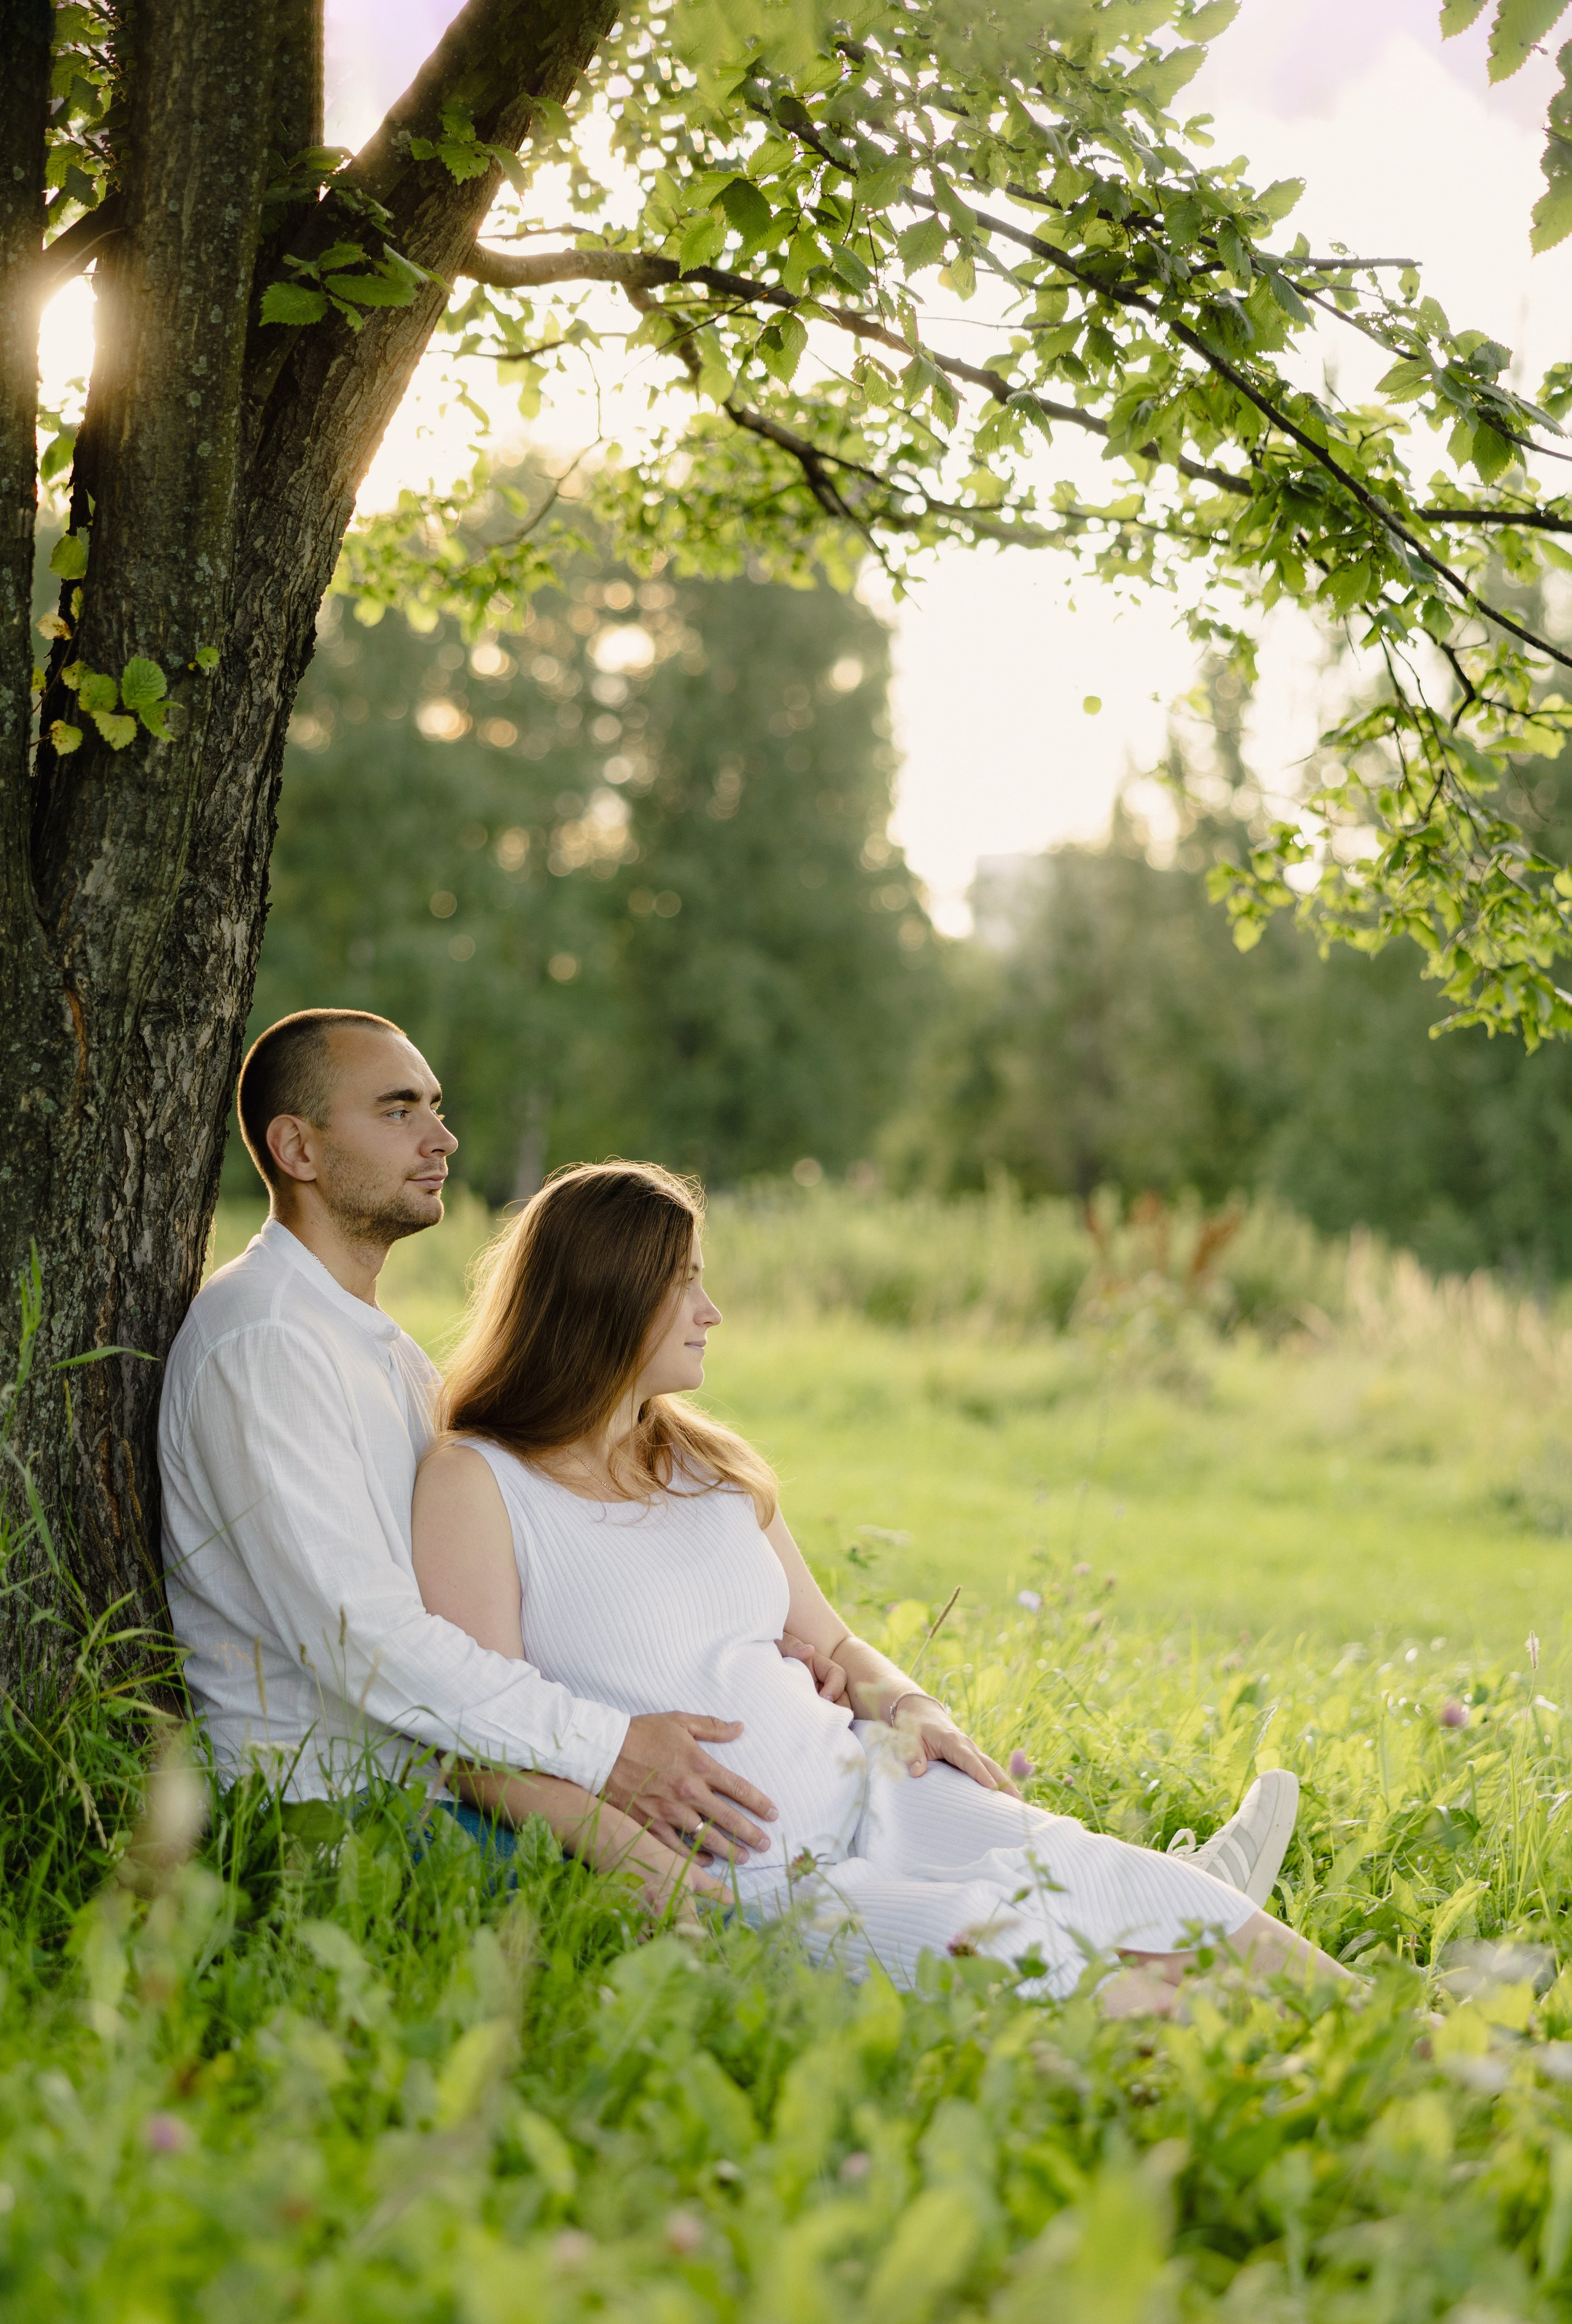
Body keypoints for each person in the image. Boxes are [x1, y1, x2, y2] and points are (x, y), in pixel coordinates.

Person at [411, 1160, 1340, 2010]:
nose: (711, 1310)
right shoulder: (480, 1482)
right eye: (686, 1279)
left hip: (884, 1790)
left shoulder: (707, 1464)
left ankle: (1419, 2030)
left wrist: (911, 1704)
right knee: (1047, 1972)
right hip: (770, 1885)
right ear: (606, 1295)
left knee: (1134, 1888)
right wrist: (643, 1866)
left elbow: (838, 1644)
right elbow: (477, 1739)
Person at [159, 1010, 829, 1867]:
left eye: (436, 1107)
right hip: (339, 1813)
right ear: (298, 1150)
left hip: (445, 1778)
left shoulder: (383, 1350)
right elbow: (363, 1641)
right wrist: (610, 1749)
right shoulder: (266, 1341)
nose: (442, 1138)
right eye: (398, 1111)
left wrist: (751, 1647)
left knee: (766, 1859)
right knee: (738, 1902)